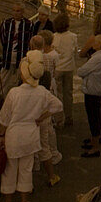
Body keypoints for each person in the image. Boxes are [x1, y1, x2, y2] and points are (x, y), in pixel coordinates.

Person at [0, 50, 63, 202]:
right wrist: (42, 117)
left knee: (9, 170)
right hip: (31, 135)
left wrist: (1, 136)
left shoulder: (14, 93)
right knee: (26, 169)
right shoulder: (42, 92)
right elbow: (58, 106)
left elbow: (4, 118)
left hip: (14, 134)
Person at [77, 35, 101, 158]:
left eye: (95, 42)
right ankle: (94, 139)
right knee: (95, 115)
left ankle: (95, 146)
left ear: (99, 45)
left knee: (93, 117)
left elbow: (81, 71)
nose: (92, 44)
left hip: (92, 90)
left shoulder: (97, 59)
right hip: (98, 88)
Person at [36, 31, 62, 178]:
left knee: (48, 126)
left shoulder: (44, 57)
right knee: (48, 125)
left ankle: (51, 152)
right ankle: (52, 152)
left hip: (47, 86)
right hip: (50, 85)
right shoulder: (53, 55)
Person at [51, 14, 78, 127]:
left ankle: (59, 118)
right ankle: (69, 116)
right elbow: (75, 50)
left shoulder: (54, 37)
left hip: (57, 67)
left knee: (58, 94)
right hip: (69, 67)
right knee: (68, 93)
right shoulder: (73, 36)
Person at [0, 2, 34, 72]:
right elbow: (3, 39)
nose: (15, 13)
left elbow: (30, 40)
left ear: (23, 12)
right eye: (14, 10)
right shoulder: (6, 23)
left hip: (22, 56)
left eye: (18, 11)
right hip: (8, 56)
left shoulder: (29, 24)